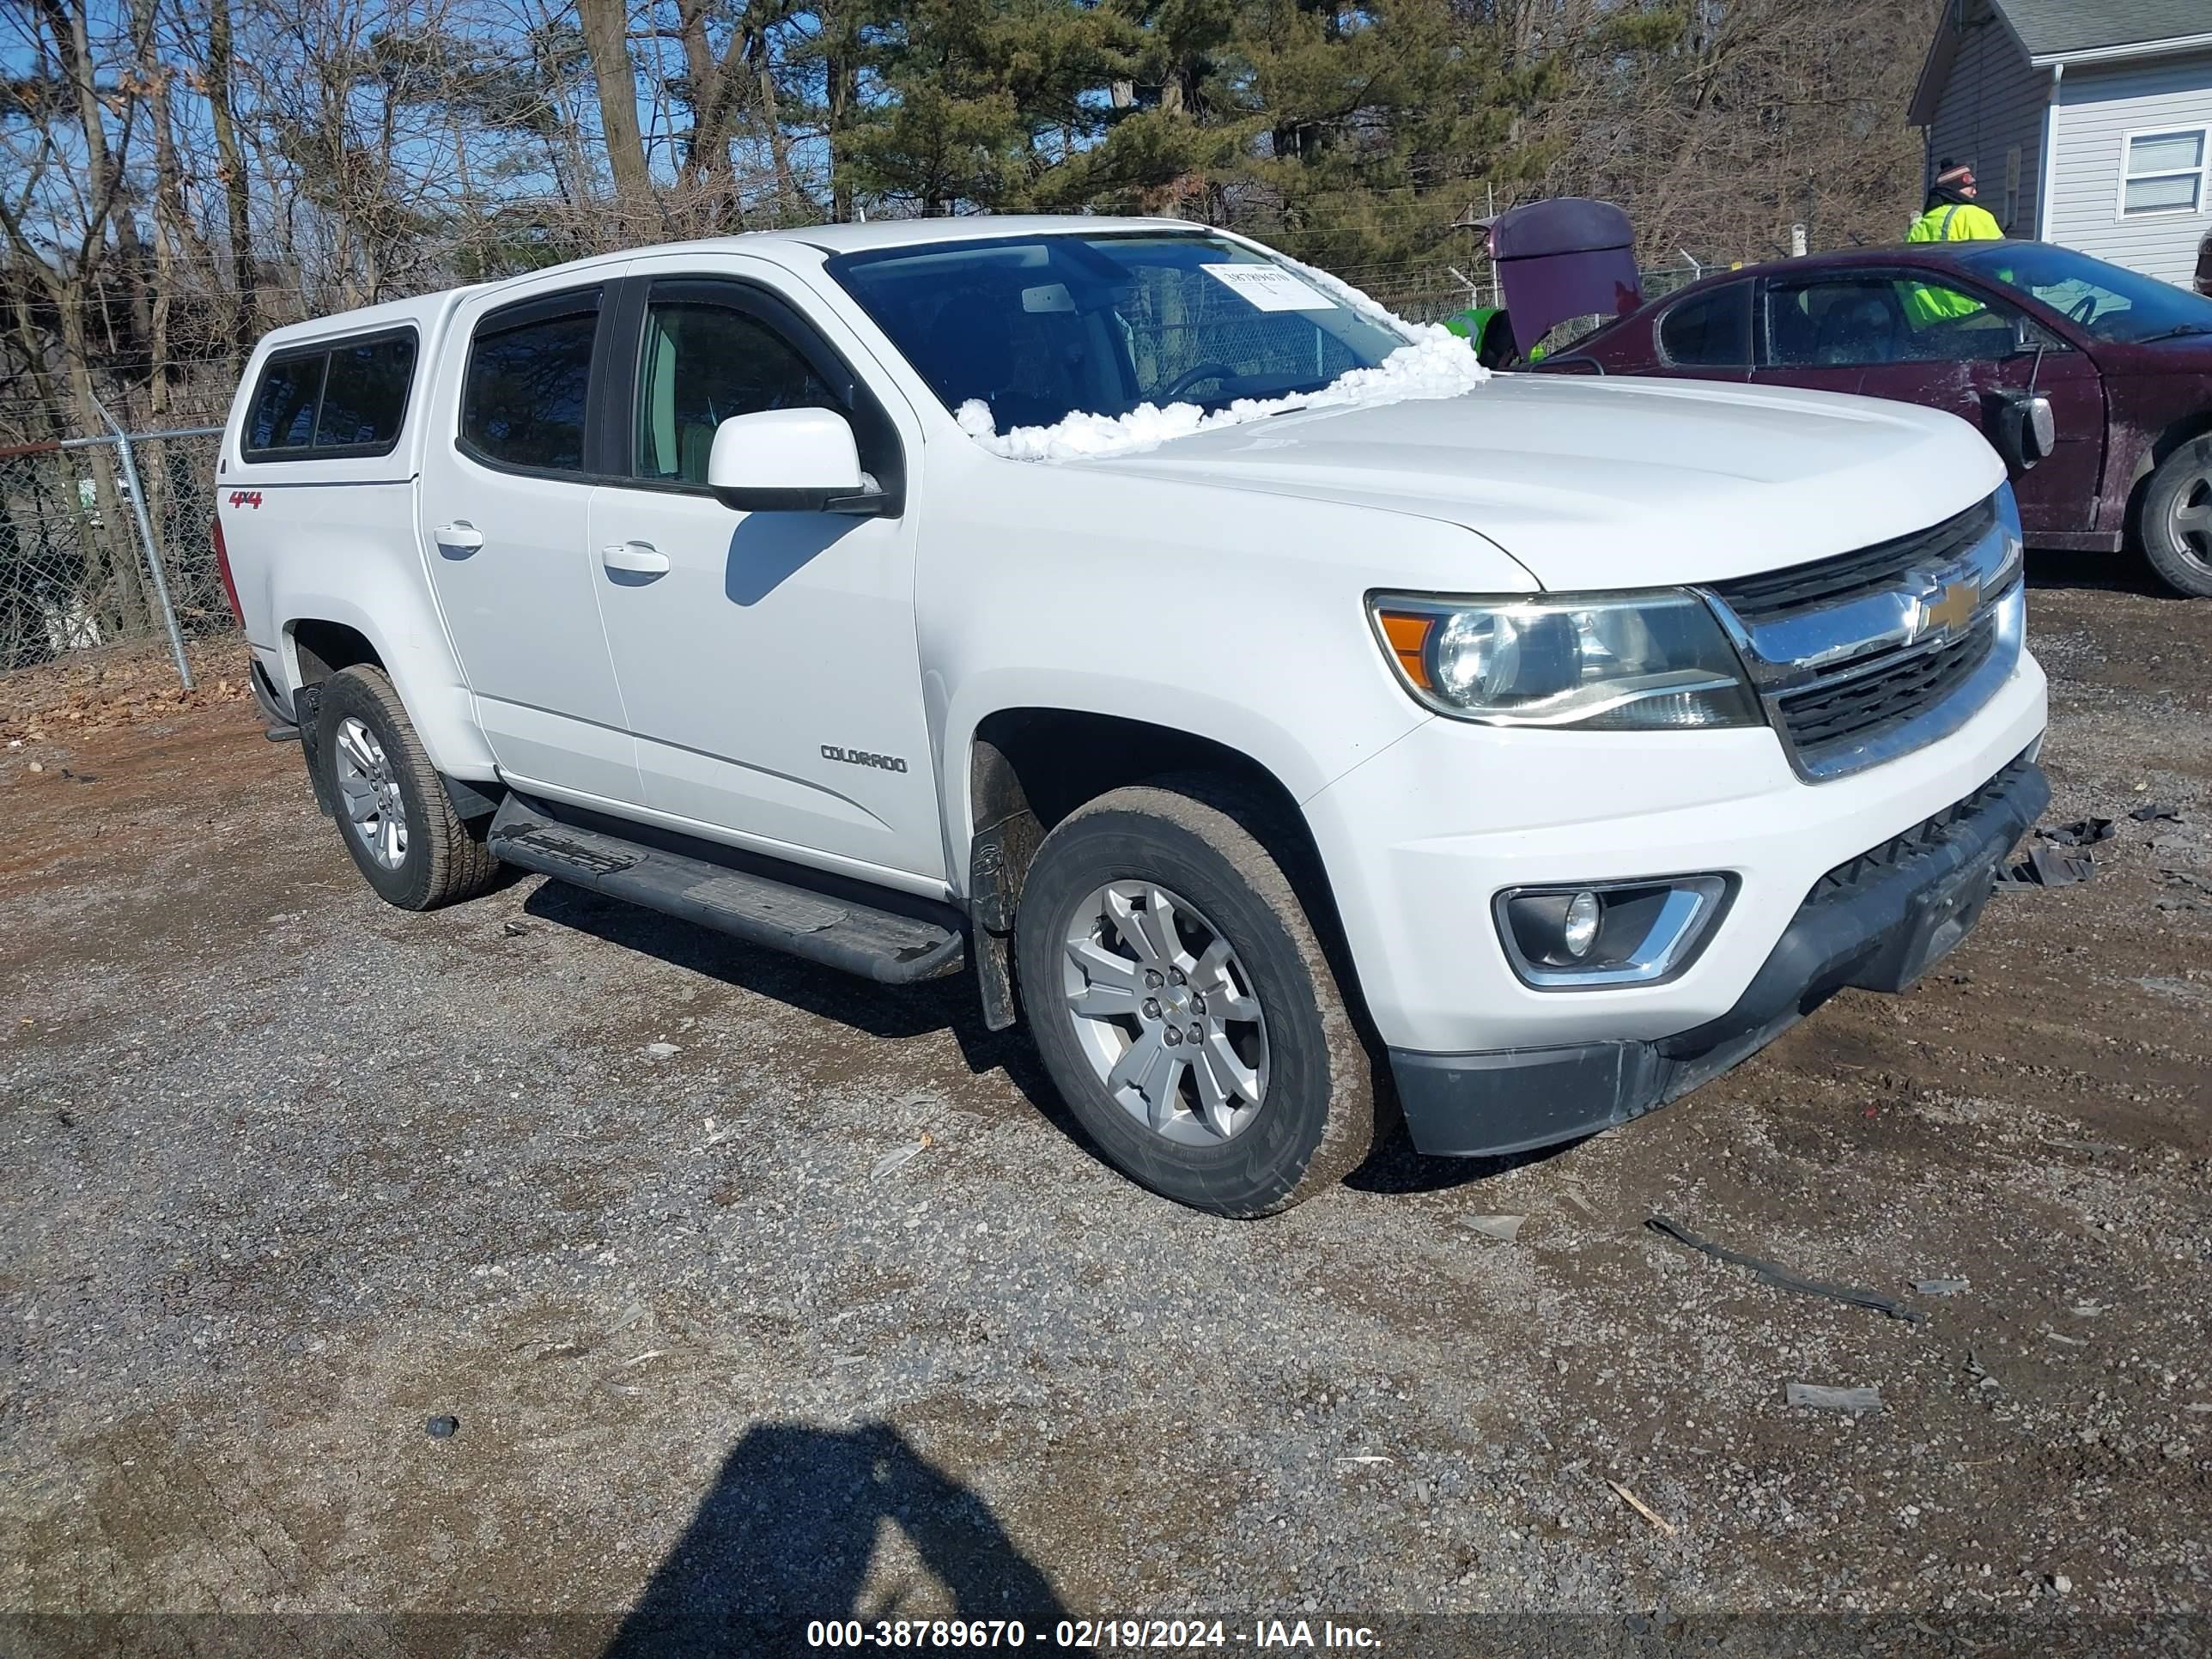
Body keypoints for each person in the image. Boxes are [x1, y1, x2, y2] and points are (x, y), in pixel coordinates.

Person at [1908, 161, 2004, 244]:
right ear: (1957, 189)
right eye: (1971, 187)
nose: (1975, 192)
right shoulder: (1974, 215)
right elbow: (1999, 256)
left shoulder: (1923, 222)